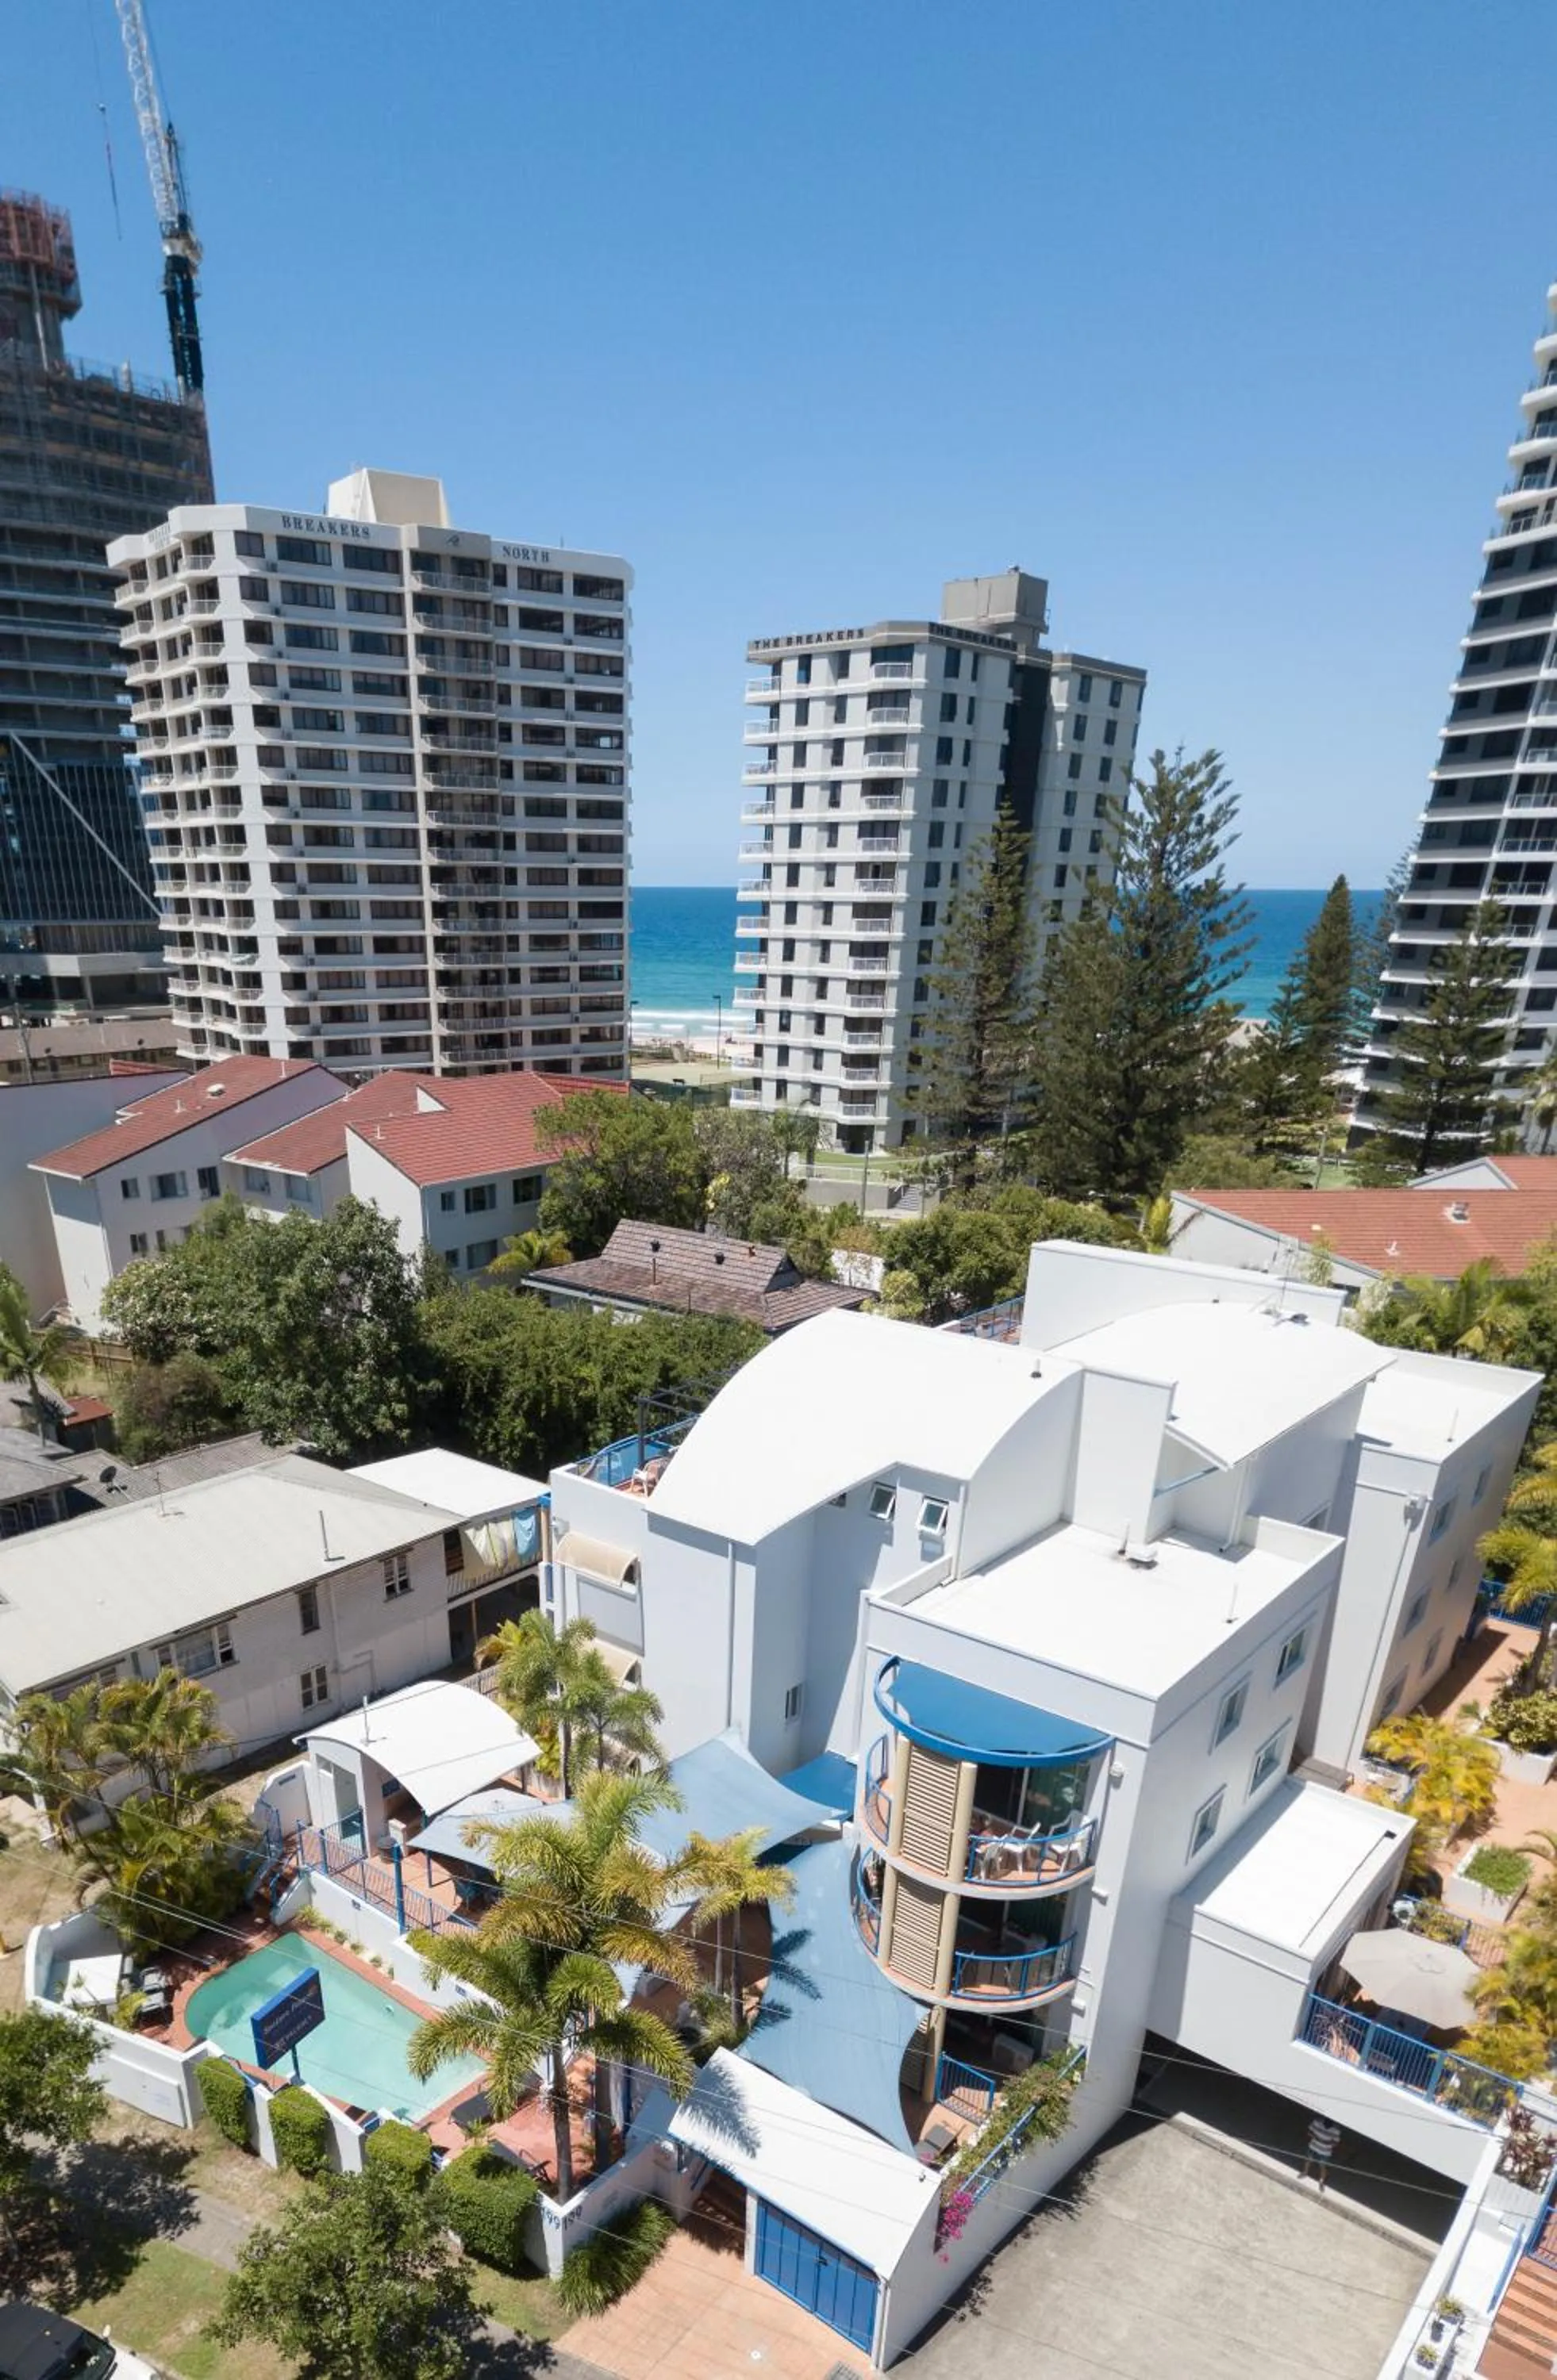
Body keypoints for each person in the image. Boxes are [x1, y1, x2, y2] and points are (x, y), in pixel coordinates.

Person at [1301, 2113, 1342, 2188]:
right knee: (1308, 2160)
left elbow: (1336, 2143)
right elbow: (1309, 2132)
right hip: (1313, 2147)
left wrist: (1326, 2143)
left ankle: (1322, 2181)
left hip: (1325, 2152)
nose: (1328, 2124)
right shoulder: (1317, 2121)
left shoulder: (1336, 2129)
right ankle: (1305, 2172)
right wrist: (1316, 2138)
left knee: (1322, 2167)